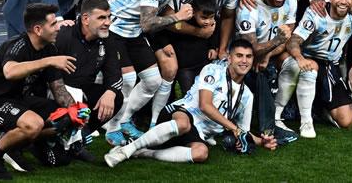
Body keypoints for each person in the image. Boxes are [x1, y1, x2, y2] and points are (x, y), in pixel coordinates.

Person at [103, 39, 274, 166]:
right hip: (181, 113)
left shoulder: (247, 96)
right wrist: (233, 128)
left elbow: (242, 131)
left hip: (199, 133)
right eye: (239, 56)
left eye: (248, 57)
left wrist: (260, 141)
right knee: (183, 123)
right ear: (229, 58)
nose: (244, 61)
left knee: (201, 153)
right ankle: (127, 151)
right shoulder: (214, 70)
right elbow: (205, 105)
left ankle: (144, 153)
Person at [102, 0, 200, 146]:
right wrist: (178, 17)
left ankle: (125, 119)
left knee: (153, 81)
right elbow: (147, 23)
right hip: (115, 28)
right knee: (127, 81)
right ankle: (112, 129)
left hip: (133, 32)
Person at [0, 3, 82, 181]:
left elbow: (58, 88)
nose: (58, 28)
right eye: (53, 24)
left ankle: (14, 146)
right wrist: (48, 61)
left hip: (16, 100)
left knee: (61, 118)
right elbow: (10, 72)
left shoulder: (49, 49)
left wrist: (75, 111)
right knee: (34, 124)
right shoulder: (17, 46)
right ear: (38, 29)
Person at [279, 0, 352, 136]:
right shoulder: (316, 13)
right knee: (296, 64)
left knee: (346, 122)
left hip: (330, 65)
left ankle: (321, 107)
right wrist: (300, 58)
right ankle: (303, 117)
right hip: (308, 60)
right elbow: (293, 42)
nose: (344, 1)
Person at [54, 0, 125, 156]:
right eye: (101, 18)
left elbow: (114, 72)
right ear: (85, 19)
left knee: (116, 98)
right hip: (57, 93)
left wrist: (111, 92)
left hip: (83, 92)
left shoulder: (107, 38)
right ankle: (54, 137)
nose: (108, 22)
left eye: (109, 17)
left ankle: (79, 139)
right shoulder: (64, 36)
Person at [236, 0, 298, 142]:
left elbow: (288, 37)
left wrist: (269, 54)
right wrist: (275, 43)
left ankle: (278, 115)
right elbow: (250, 48)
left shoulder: (291, 0)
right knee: (258, 69)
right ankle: (268, 130)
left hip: (269, 54)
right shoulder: (249, 7)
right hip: (242, 57)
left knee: (293, 63)